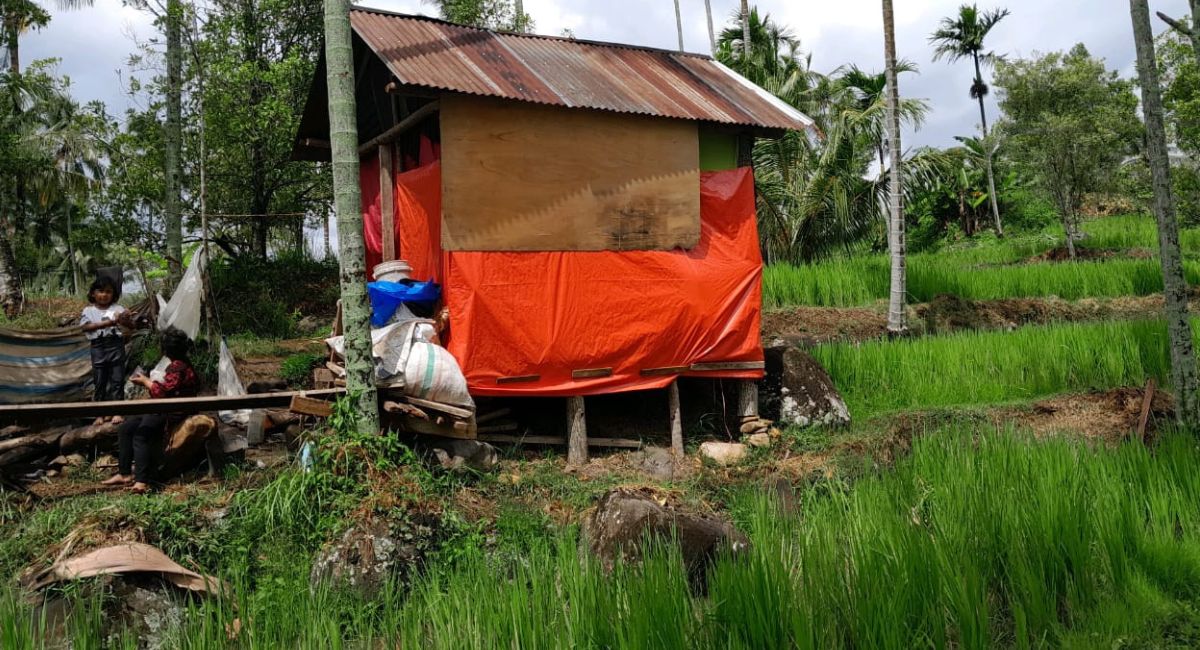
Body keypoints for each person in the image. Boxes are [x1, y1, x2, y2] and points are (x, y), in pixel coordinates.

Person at [101, 328, 199, 494]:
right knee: (126, 428)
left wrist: (146, 381)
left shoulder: (178, 367)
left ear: (165, 349)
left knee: (141, 435)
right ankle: (124, 473)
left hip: (171, 410)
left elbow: (163, 392)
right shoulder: (177, 364)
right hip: (161, 406)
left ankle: (141, 481)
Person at [79, 277, 129, 411]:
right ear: (93, 294)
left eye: (108, 292)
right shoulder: (88, 311)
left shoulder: (118, 308)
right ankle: (100, 413)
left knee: (117, 380)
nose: (104, 295)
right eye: (100, 291)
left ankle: (118, 411)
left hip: (116, 345)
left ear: (113, 295)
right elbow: (85, 327)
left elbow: (131, 325)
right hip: (98, 347)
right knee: (99, 381)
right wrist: (108, 323)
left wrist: (125, 319)